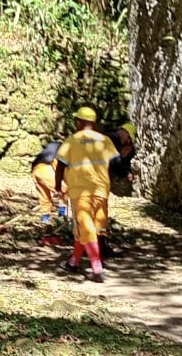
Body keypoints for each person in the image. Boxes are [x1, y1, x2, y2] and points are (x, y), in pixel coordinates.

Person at [54, 105, 119, 283]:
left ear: (79, 122)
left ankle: (97, 269)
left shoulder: (72, 141)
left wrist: (58, 187)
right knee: (90, 228)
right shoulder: (105, 140)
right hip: (101, 191)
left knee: (85, 227)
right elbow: (116, 163)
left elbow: (60, 165)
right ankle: (73, 262)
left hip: (80, 191)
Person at [100, 120, 137, 257]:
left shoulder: (106, 137)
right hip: (99, 183)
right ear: (126, 134)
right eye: (128, 141)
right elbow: (114, 162)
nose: (127, 143)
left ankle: (92, 246)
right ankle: (100, 248)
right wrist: (126, 172)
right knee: (100, 217)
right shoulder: (112, 140)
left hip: (91, 182)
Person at [30, 140, 68, 224]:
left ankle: (45, 218)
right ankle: (62, 214)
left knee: (44, 195)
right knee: (64, 190)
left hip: (35, 171)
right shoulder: (63, 152)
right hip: (45, 169)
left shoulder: (52, 148)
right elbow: (59, 169)